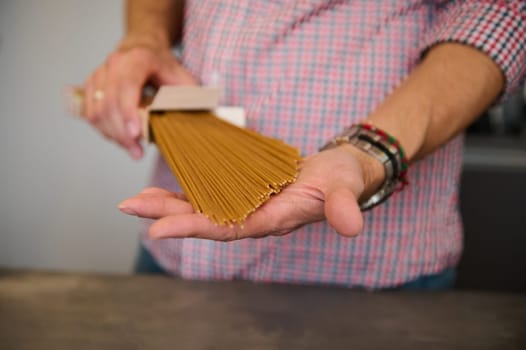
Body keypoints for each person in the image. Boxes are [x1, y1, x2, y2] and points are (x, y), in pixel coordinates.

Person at [82, 0, 526, 290]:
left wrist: (369, 152)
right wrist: (146, 38)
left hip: (368, 280)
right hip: (176, 256)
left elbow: (500, 10)